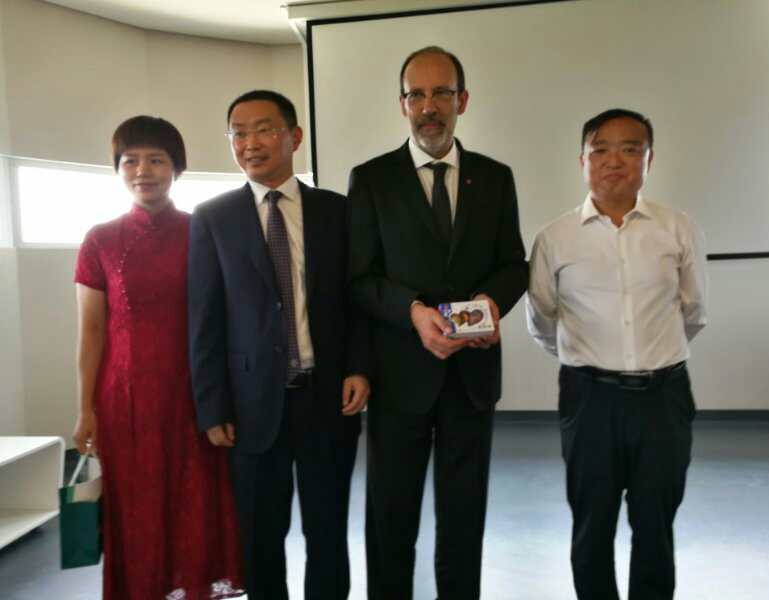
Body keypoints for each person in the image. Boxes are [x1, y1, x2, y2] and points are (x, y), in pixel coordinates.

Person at [347, 46, 528, 599]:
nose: (429, 106)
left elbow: (513, 264)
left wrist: (490, 303)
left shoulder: (495, 178)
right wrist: (412, 312)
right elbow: (360, 278)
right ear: (402, 104)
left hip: (472, 378)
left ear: (462, 100)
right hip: (399, 377)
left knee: (464, 518)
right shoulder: (372, 179)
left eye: (441, 93)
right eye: (417, 95)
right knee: (390, 518)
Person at [187, 90, 369, 600]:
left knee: (327, 530)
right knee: (260, 535)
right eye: (238, 133)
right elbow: (204, 320)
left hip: (325, 397)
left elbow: (355, 298)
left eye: (264, 129)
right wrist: (212, 406)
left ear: (294, 136)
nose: (250, 143)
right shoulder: (212, 217)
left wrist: (359, 367)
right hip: (250, 405)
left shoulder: (336, 211)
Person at [526, 108, 708, 600]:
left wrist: (651, 357)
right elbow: (542, 319)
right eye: (601, 150)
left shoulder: (677, 229)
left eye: (630, 149)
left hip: (663, 398)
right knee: (592, 524)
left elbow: (693, 311)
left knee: (656, 525)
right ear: (582, 160)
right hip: (589, 400)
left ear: (649, 159)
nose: (615, 161)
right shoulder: (555, 237)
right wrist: (587, 361)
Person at [72, 116, 242, 600]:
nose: (142, 171)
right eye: (130, 161)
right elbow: (90, 330)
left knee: (196, 502)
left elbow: (227, 319)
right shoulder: (99, 239)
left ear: (177, 168)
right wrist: (85, 408)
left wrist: (224, 398)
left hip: (193, 395)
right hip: (125, 400)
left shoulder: (203, 230)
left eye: (156, 160)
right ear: (118, 169)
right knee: (137, 507)